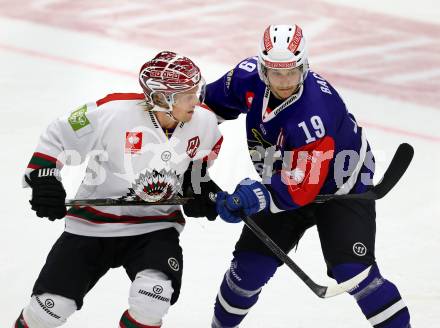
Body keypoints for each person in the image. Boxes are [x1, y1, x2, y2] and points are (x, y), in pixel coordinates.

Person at [204, 25, 411, 327]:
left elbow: (300, 188)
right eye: (276, 73)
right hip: (285, 181)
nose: (285, 81)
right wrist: (188, 155)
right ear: (262, 68)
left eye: (292, 72)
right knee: (247, 270)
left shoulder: (315, 112)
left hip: (341, 186)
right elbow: (204, 107)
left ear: (305, 65)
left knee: (354, 274)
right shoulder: (247, 77)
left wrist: (251, 196)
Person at [14, 51, 222, 328]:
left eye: (195, 91)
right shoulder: (112, 112)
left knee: (152, 300)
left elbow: (199, 162)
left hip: (155, 226)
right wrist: (45, 179)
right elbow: (59, 134)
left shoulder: (205, 122)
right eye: (186, 94)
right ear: (160, 98)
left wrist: (197, 185)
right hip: (92, 224)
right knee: (47, 312)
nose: (195, 100)